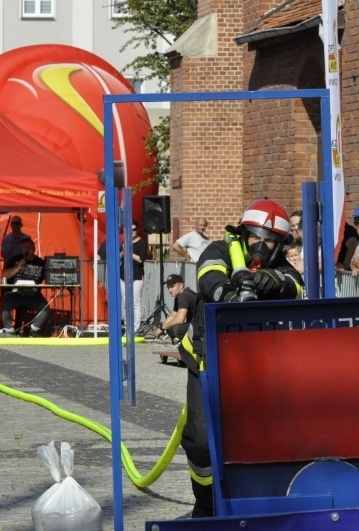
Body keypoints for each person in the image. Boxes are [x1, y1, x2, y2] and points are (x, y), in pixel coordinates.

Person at [177, 199, 303, 518]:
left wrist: (271, 282)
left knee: (261, 441)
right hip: (207, 364)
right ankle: (205, 503)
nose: (260, 246)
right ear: (243, 234)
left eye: (269, 240)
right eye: (255, 237)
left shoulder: (280, 269)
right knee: (202, 442)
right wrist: (231, 293)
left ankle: (261, 507)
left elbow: (297, 287)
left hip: (257, 372)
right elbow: (208, 277)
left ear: (280, 244)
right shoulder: (219, 250)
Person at [0, 237, 48, 337]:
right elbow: (4, 275)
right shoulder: (15, 259)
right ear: (21, 249)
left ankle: (34, 330)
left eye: (29, 247)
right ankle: (9, 329)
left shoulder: (41, 263)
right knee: (4, 303)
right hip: (15, 293)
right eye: (24, 247)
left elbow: (49, 278)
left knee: (45, 307)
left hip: (33, 295)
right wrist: (17, 268)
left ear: (34, 248)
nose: (27, 249)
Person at [121, 221, 147, 336]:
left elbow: (141, 259)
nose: (132, 232)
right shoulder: (124, 241)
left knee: (135, 302)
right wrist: (123, 251)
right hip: (123, 274)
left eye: (134, 229)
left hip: (136, 275)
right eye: (130, 229)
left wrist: (129, 252)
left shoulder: (142, 242)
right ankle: (127, 327)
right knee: (126, 302)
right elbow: (119, 256)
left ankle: (135, 328)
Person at [154, 274, 196, 342]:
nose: (170, 290)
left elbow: (179, 320)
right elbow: (173, 315)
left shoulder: (184, 296)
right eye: (168, 287)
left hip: (201, 327)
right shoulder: (179, 297)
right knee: (170, 328)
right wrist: (162, 327)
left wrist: (162, 328)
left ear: (181, 285)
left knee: (177, 329)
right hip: (193, 325)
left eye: (172, 287)